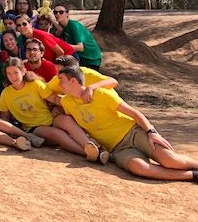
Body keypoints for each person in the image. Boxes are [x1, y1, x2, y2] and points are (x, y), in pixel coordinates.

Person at [57, 66, 198, 182]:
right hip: (118, 149)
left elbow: (134, 113)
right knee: (139, 168)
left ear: (73, 81)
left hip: (133, 133)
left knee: (170, 160)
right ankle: (192, 176)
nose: (58, 85)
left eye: (61, 80)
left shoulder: (101, 94)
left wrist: (151, 132)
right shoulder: (66, 102)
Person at [0, 58, 108, 163]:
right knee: (57, 134)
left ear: (23, 71)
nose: (13, 77)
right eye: (9, 73)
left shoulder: (35, 84)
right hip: (34, 128)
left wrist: (78, 102)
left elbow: (55, 99)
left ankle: (94, 147)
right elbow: (4, 117)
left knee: (66, 120)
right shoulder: (6, 94)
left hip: (51, 120)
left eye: (15, 72)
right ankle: (91, 154)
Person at [52, 5, 103, 70]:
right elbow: (58, 31)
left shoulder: (73, 26)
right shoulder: (61, 27)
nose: (58, 14)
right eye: (55, 12)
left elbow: (80, 48)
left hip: (91, 59)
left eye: (61, 12)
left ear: (67, 13)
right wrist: (51, 19)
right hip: (79, 59)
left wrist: (63, 46)